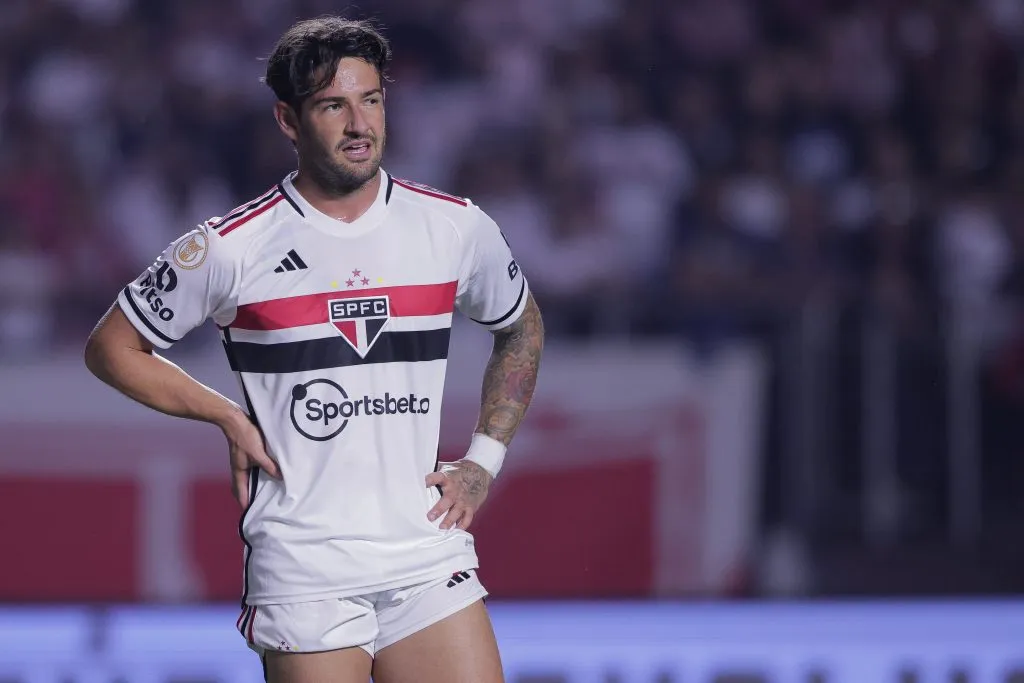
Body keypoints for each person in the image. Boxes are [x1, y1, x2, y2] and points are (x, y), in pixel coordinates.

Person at [83, 16, 543, 683]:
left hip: (426, 555)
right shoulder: (230, 247)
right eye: (334, 104)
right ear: (288, 120)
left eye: (372, 99)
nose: (360, 123)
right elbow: (112, 348)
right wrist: (226, 414)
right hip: (306, 568)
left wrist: (483, 460)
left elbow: (522, 326)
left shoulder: (453, 227)